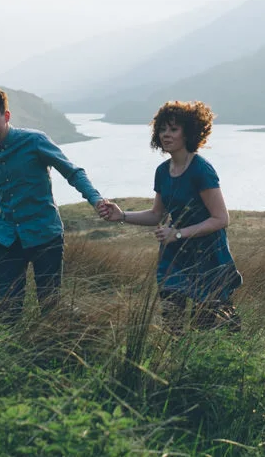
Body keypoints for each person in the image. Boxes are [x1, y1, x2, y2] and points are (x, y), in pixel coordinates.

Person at [0, 87, 113, 325]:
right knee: (7, 309)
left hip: (44, 233)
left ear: (6, 116)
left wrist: (96, 200)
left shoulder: (34, 141)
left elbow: (73, 172)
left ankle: (69, 342)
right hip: (8, 236)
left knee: (50, 306)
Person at [100, 100, 242, 333]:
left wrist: (177, 233)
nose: (166, 135)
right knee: (172, 320)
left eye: (173, 129)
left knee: (207, 323)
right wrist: (122, 215)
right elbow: (157, 214)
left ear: (188, 133)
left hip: (206, 254)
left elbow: (221, 219)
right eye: (162, 129)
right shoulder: (162, 171)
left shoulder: (201, 169)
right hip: (175, 256)